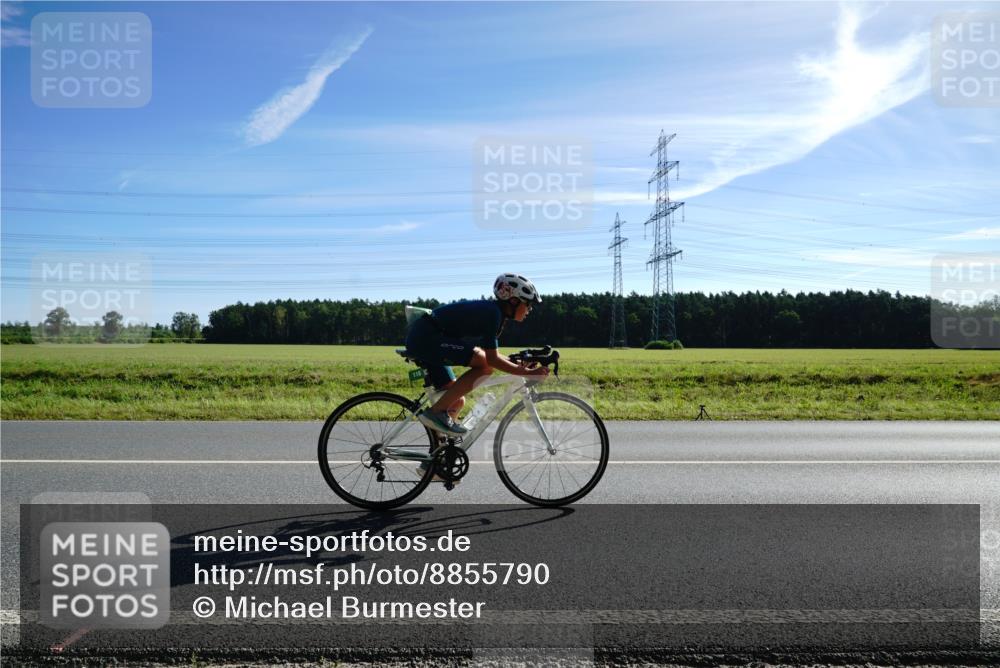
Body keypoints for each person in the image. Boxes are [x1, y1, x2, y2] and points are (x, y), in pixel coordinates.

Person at [405, 273, 550, 437]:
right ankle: (436, 411)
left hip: (428, 337)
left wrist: (515, 363)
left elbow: (489, 353)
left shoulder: (494, 312)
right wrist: (527, 372)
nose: (529, 310)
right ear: (513, 301)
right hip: (427, 338)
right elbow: (491, 360)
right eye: (528, 304)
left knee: (455, 400)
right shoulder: (493, 314)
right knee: (485, 367)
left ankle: (439, 454)